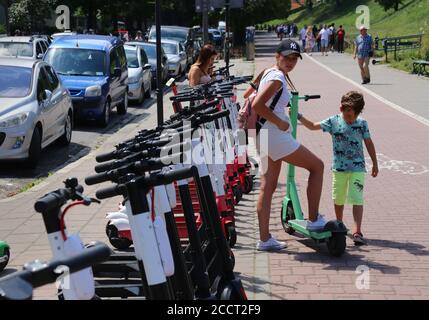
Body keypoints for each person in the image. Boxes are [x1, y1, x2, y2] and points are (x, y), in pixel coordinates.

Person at [252, 39, 326, 251]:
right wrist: (281, 122)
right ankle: (313, 219)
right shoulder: (276, 77)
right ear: (278, 56)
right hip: (274, 135)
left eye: (294, 58)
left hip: (264, 134)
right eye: (287, 57)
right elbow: (258, 105)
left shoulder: (271, 73)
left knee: (269, 186)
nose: (291, 62)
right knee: (317, 166)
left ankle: (264, 239)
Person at [297, 91, 378, 245]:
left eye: (353, 114)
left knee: (357, 198)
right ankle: (339, 225)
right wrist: (299, 116)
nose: (350, 117)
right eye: (347, 113)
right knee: (338, 197)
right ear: (341, 109)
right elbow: (313, 126)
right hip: (339, 168)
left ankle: (357, 231)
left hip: (357, 168)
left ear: (358, 112)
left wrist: (375, 162)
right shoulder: (333, 121)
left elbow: (368, 143)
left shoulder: (362, 123)